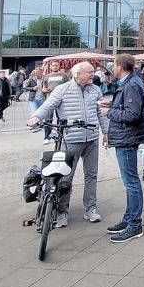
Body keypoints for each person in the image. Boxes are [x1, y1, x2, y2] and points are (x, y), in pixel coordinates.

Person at [27, 61, 107, 227]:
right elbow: (48, 106)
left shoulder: (95, 90)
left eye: (93, 72)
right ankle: (62, 211)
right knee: (65, 178)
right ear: (77, 74)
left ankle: (90, 208)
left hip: (91, 138)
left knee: (91, 175)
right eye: (89, 72)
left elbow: (100, 113)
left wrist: (106, 132)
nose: (93, 74)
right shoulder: (62, 89)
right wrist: (36, 117)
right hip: (70, 140)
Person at [99, 54, 144, 243]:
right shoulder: (130, 82)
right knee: (130, 181)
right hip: (125, 137)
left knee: (131, 183)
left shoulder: (131, 84)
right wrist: (112, 105)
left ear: (120, 67)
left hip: (127, 139)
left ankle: (134, 224)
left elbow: (132, 114)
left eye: (113, 65)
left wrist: (109, 112)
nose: (112, 69)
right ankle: (129, 219)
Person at [40, 61, 71, 145]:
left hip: (61, 100)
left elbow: (68, 86)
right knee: (48, 119)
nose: (55, 67)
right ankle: (47, 137)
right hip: (50, 99)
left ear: (58, 66)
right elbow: (43, 88)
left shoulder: (63, 75)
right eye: (53, 65)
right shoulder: (47, 76)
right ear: (51, 67)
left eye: (56, 65)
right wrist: (45, 90)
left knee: (60, 118)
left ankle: (59, 134)